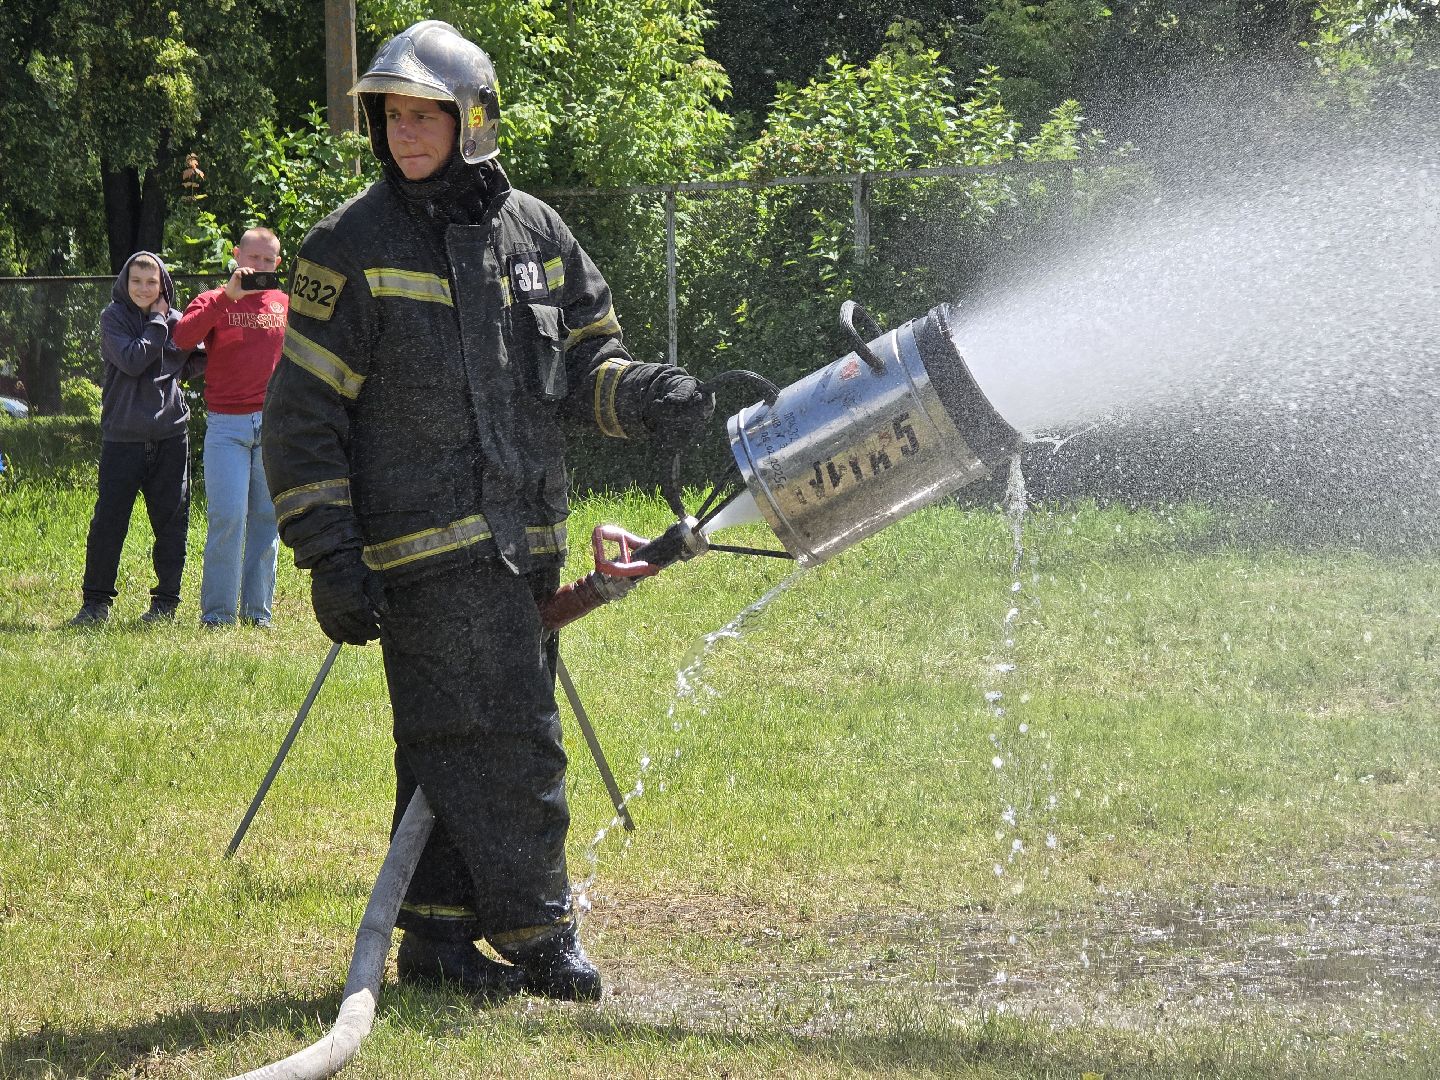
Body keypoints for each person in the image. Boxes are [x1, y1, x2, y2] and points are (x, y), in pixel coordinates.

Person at [263, 20, 712, 1003]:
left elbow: (586, 366)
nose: (404, 133)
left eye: (424, 115)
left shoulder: (538, 235)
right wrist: (328, 554)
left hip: (523, 542)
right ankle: (539, 935)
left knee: (450, 748)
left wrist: (645, 395)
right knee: (514, 741)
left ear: (474, 120)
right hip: (424, 551)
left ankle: (437, 940)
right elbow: (301, 416)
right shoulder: (349, 245)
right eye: (391, 116)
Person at [69, 252, 206, 626]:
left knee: (172, 523)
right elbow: (132, 360)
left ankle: (165, 604)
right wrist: (159, 323)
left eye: (151, 282)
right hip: (123, 437)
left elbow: (198, 358)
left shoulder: (176, 320)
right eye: (136, 281)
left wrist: (180, 362)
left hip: (170, 435)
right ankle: (95, 604)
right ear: (124, 284)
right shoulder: (113, 318)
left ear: (163, 285)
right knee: (109, 522)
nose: (144, 288)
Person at [174, 227, 288, 629]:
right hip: (227, 426)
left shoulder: (284, 303)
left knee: (266, 519)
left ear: (278, 262)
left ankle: (258, 614)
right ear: (237, 255)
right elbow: (182, 338)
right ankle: (217, 615)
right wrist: (228, 296)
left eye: (268, 260)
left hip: (273, 426)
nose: (259, 266)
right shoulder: (213, 299)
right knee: (228, 518)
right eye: (253, 258)